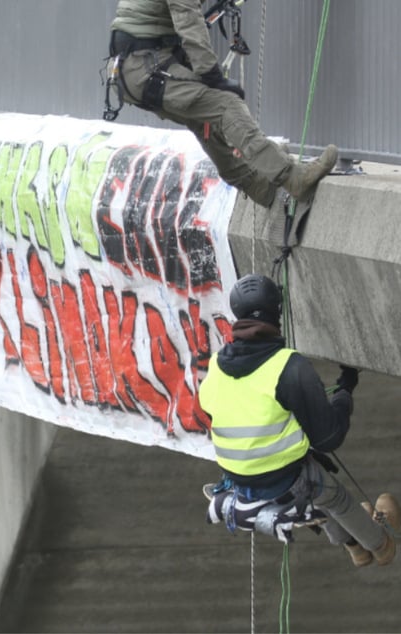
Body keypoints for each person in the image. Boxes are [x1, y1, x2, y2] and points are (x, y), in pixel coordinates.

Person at [198, 274, 400, 566]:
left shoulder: (216, 364)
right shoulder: (289, 366)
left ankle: (355, 548)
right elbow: (329, 437)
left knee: (314, 480)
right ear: (276, 313)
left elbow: (215, 410)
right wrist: (345, 389)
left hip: (239, 482)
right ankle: (380, 545)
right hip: (283, 481)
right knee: (332, 496)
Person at [107, 0, 338, 207]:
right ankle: (291, 177)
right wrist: (211, 74)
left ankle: (257, 183)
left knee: (203, 117)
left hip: (135, 68)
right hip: (146, 67)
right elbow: (188, 22)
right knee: (226, 104)